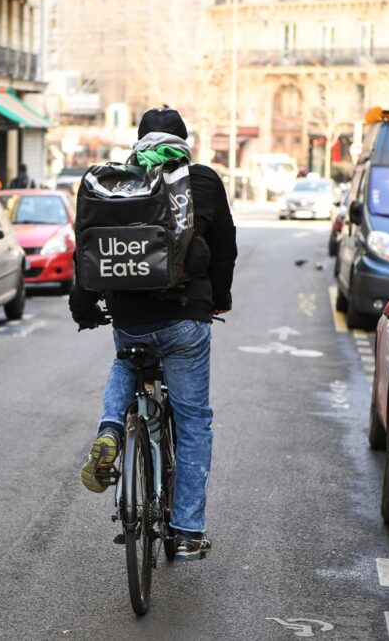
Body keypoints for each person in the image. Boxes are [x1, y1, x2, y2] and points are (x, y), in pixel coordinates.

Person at [70, 106, 238, 562]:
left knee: (127, 360)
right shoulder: (202, 181)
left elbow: (87, 247)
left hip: (130, 318)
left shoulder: (118, 183)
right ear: (186, 143)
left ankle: (110, 429)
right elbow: (224, 250)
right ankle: (186, 530)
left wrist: (84, 308)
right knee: (193, 421)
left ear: (138, 141)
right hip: (185, 319)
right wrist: (218, 299)